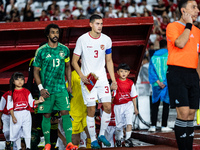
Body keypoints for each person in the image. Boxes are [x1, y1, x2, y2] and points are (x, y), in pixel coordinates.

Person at [72, 14, 117, 149]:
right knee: (91, 110)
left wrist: (113, 80)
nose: (100, 26)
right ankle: (93, 139)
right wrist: (81, 75)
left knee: (108, 106)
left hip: (102, 78)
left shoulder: (107, 40)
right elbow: (74, 61)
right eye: (97, 23)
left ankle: (102, 134)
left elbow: (109, 61)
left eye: (101, 24)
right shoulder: (82, 39)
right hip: (88, 80)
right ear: (90, 24)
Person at [33, 23, 78, 150]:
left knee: (65, 112)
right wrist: (41, 88)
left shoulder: (64, 50)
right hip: (47, 90)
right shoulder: (41, 51)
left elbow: (68, 67)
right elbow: (36, 71)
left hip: (61, 89)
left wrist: (68, 84)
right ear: (48, 34)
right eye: (53, 32)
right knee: (46, 115)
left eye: (57, 32)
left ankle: (69, 143)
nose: (55, 35)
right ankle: (47, 143)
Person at [166, 0, 200, 149]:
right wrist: (188, 25)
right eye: (193, 7)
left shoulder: (198, 32)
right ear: (183, 11)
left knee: (192, 113)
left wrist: (198, 78)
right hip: (177, 71)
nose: (197, 10)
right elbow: (180, 43)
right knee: (184, 112)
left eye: (197, 8)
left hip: (192, 74)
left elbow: (197, 57)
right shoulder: (172, 26)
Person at [6, 72, 44, 150]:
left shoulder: (27, 92)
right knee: (16, 132)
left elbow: (31, 102)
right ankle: (19, 148)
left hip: (26, 113)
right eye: (17, 80)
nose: (20, 81)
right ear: (13, 82)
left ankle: (28, 147)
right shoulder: (11, 93)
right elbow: (10, 107)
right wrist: (13, 116)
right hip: (16, 113)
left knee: (27, 131)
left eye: (22, 79)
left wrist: (39, 101)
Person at [148, 39, 173, 132]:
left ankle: (153, 125)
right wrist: (165, 82)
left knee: (155, 104)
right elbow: (170, 70)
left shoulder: (153, 56)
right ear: (167, 46)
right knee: (166, 104)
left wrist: (158, 82)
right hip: (166, 84)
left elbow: (151, 71)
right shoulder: (170, 55)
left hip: (156, 84)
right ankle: (164, 126)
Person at [112, 63, 138, 147]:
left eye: (125, 71)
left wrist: (135, 108)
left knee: (129, 122)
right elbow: (112, 97)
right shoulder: (115, 83)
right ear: (118, 72)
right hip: (118, 106)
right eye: (121, 71)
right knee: (119, 124)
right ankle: (118, 139)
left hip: (128, 105)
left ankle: (128, 138)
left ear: (129, 73)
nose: (123, 73)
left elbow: (133, 96)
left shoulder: (130, 83)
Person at [68, 69, 91, 149]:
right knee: (75, 141)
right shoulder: (72, 74)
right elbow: (68, 91)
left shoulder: (93, 74)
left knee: (91, 134)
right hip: (74, 111)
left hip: (88, 111)